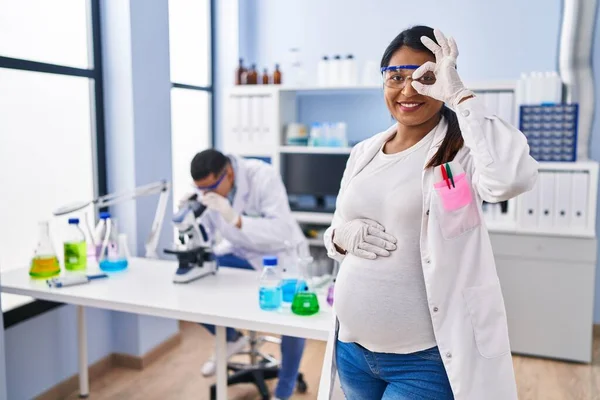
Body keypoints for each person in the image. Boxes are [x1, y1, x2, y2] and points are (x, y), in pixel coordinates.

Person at [317, 26, 538, 400]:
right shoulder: (364, 151)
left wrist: (460, 95)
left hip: (424, 360)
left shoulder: (463, 150)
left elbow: (510, 178)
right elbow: (337, 226)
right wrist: (339, 237)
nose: (408, 90)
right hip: (353, 351)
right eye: (396, 77)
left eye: (424, 78)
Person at [184, 149, 307, 400]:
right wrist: (189, 220)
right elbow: (205, 239)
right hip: (240, 253)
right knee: (193, 280)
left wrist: (237, 219)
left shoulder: (262, 176)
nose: (205, 195)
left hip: (280, 254)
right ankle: (232, 339)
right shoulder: (209, 191)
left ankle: (283, 391)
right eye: (200, 190)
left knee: (294, 321)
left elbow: (280, 230)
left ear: (228, 173)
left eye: (209, 189)